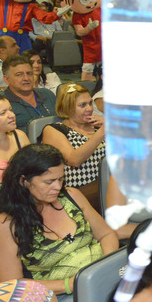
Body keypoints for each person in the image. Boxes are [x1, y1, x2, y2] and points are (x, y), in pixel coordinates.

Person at [0, 144, 119, 302]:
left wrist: (103, 268)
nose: (57, 186)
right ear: (24, 181)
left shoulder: (71, 196)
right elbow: (12, 285)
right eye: (49, 182)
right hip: (56, 296)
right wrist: (70, 284)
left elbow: (106, 234)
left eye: (61, 179)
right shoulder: (5, 225)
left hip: (96, 278)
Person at [42, 82, 106, 211]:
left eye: (90, 103)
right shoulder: (55, 130)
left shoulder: (98, 125)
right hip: (77, 192)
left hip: (106, 186)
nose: (89, 108)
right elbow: (74, 160)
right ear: (68, 107)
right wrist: (102, 132)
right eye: (82, 105)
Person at [0, 92, 30, 188]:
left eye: (10, 110)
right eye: (3, 113)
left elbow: (34, 171)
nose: (12, 115)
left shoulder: (20, 136)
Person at [1, 54, 55, 131]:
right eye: (19, 75)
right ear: (6, 79)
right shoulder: (0, 103)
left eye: (29, 73)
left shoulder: (48, 94)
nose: (26, 78)